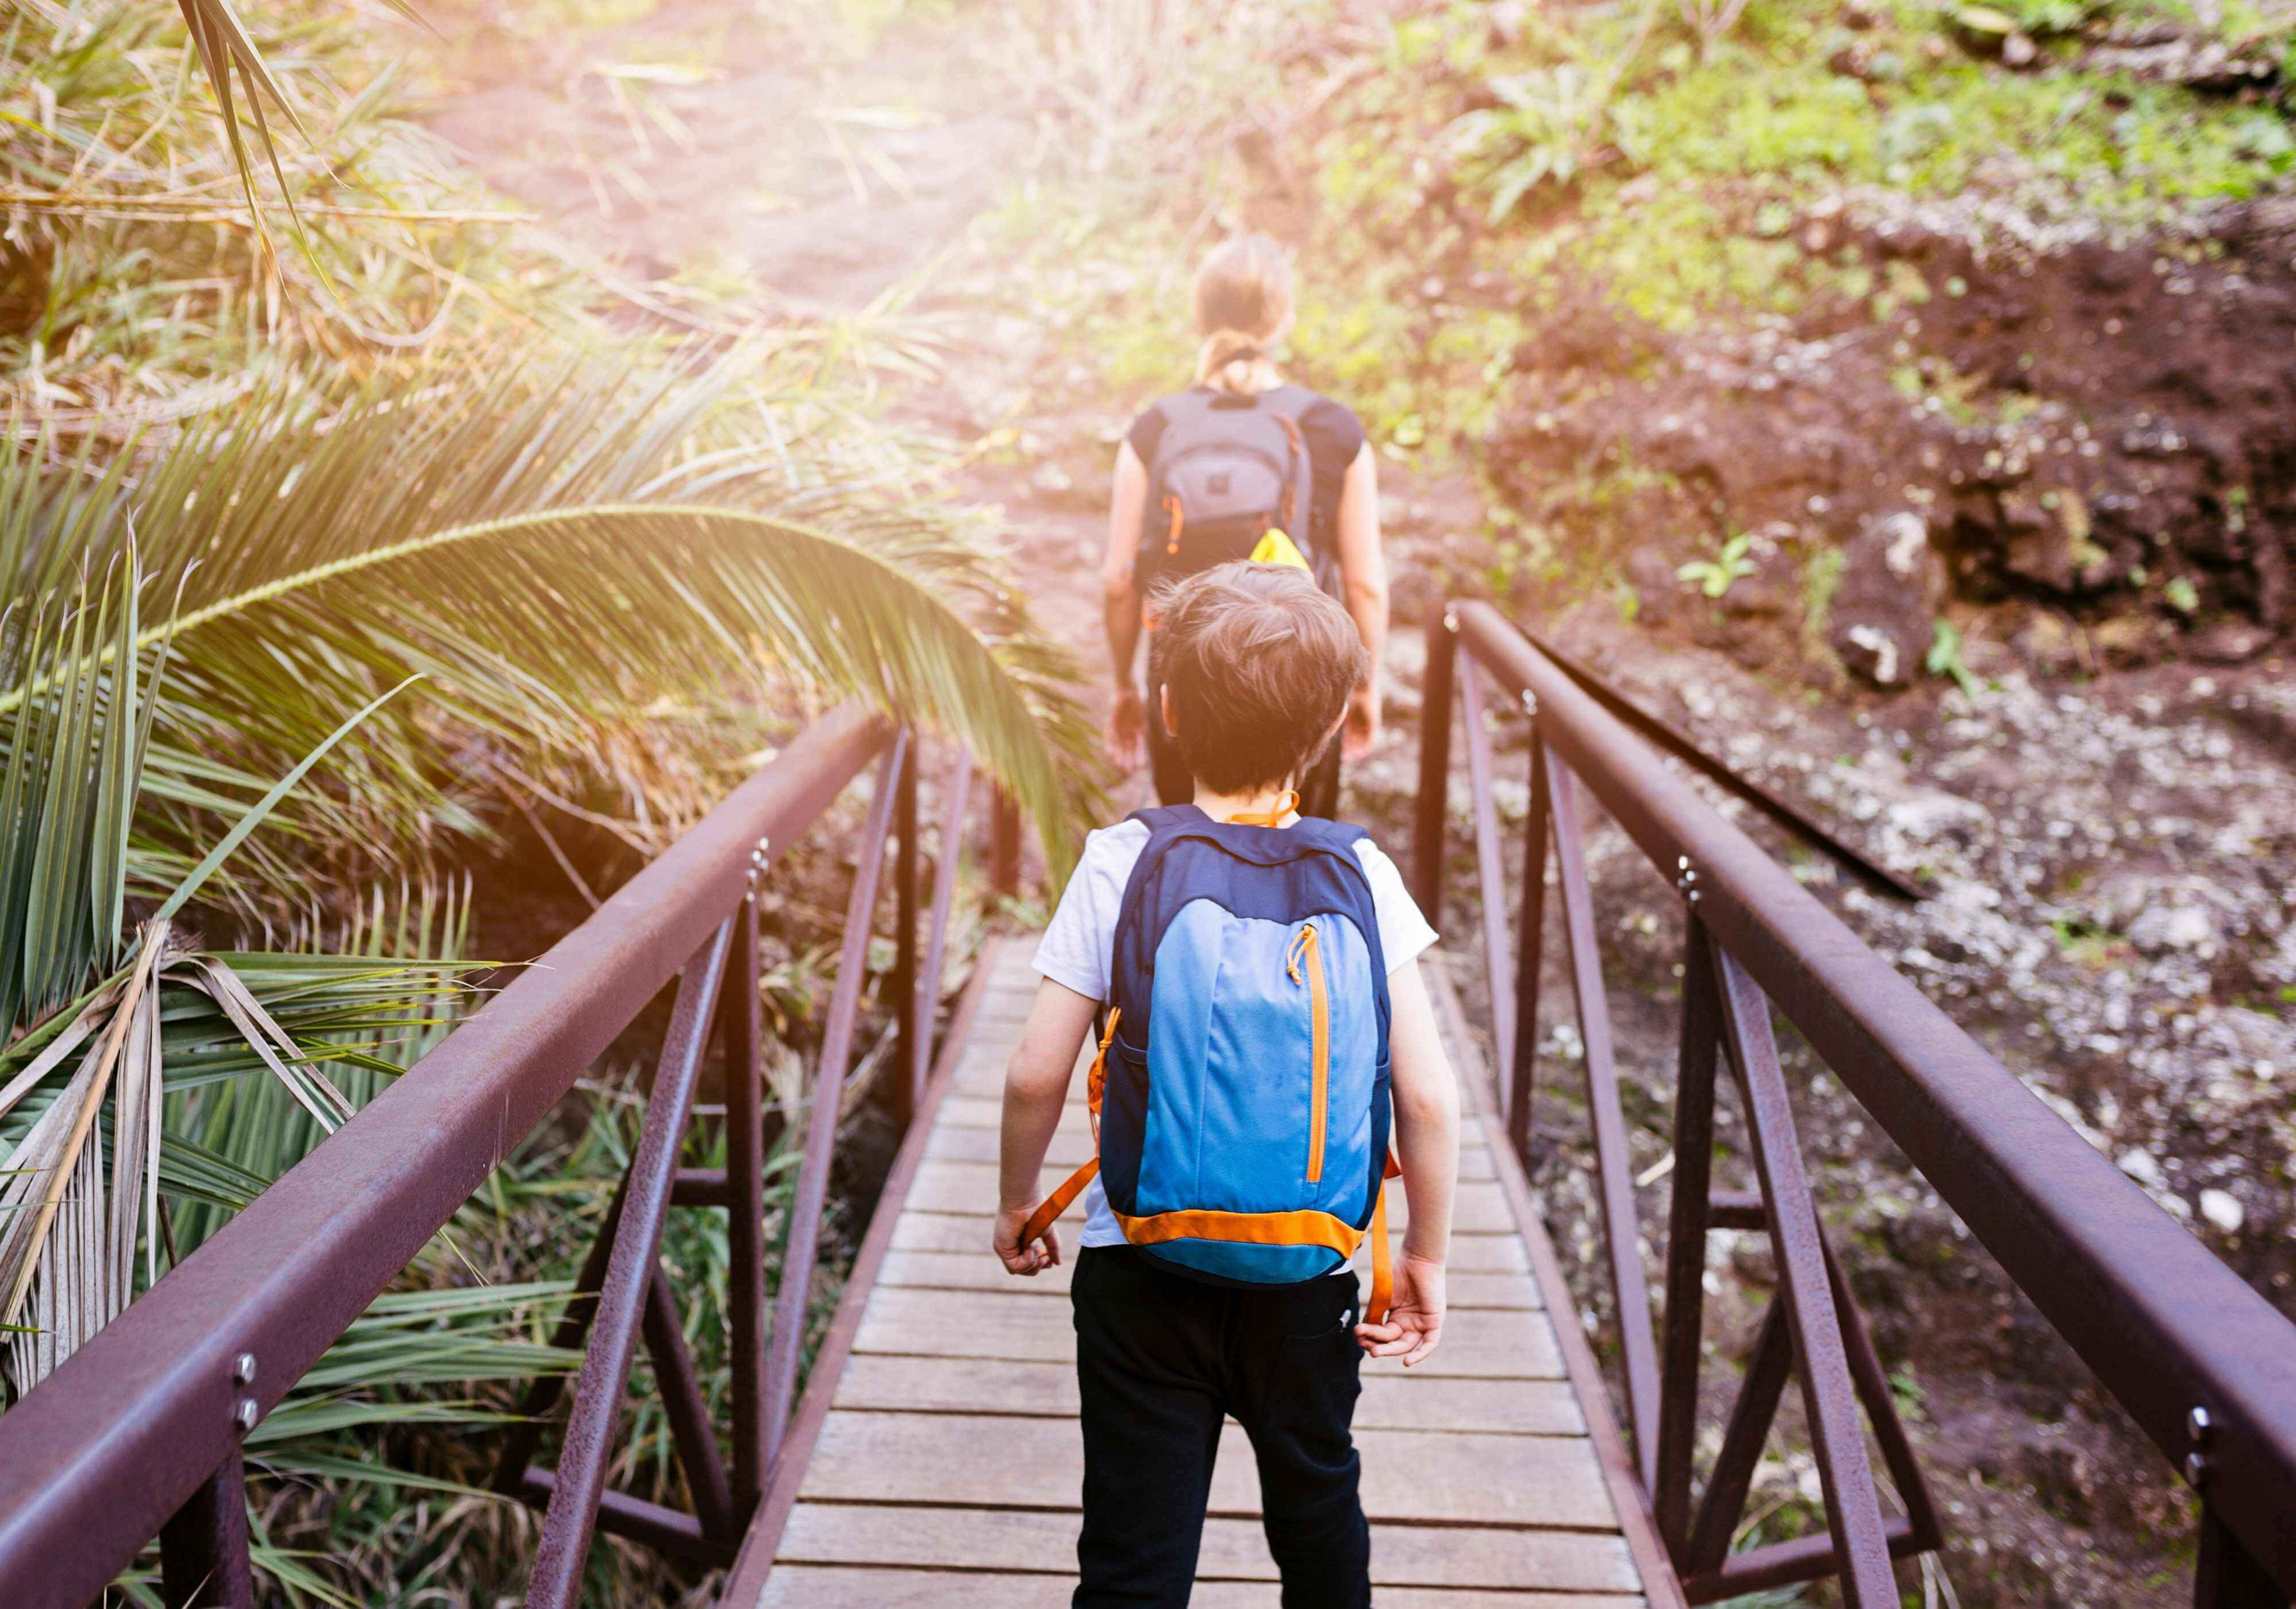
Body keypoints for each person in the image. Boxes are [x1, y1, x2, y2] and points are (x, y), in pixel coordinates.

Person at [995, 563, 1460, 1609]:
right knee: (1317, 1511)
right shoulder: (1364, 873)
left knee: (1132, 1551)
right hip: (1307, 1279)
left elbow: (1036, 1071)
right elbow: (1427, 1098)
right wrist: (1424, 1254)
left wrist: (1017, 1202)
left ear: (1165, 709)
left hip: (1137, 1269)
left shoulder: (1123, 859)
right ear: (1333, 723)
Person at [1102, 233, 1389, 819]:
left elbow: (1117, 579)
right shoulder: (1332, 428)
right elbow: (1365, 587)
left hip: (1184, 684)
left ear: (1200, 317)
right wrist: (1364, 686)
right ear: (1284, 319)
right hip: (1302, 682)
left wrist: (1125, 687)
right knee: (1296, 854)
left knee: (1185, 849)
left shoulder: (1155, 428)